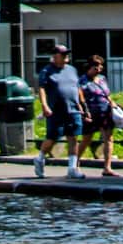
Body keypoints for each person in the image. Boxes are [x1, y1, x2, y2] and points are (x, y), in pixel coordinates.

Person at [35, 46, 88, 179]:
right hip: (56, 109)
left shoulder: (72, 70)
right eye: (62, 54)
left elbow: (77, 87)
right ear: (55, 56)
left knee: (73, 137)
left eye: (66, 54)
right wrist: (45, 106)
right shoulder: (47, 71)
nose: (65, 56)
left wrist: (81, 105)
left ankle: (72, 168)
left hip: (73, 109)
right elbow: (41, 89)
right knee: (52, 138)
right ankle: (40, 158)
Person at [79, 56, 119, 177]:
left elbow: (107, 94)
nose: (98, 69)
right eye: (95, 66)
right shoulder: (82, 81)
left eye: (100, 66)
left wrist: (111, 102)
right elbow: (80, 98)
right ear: (89, 67)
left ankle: (107, 167)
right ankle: (75, 163)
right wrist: (84, 111)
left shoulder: (102, 79)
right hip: (91, 113)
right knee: (87, 139)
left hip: (105, 111)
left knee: (108, 138)